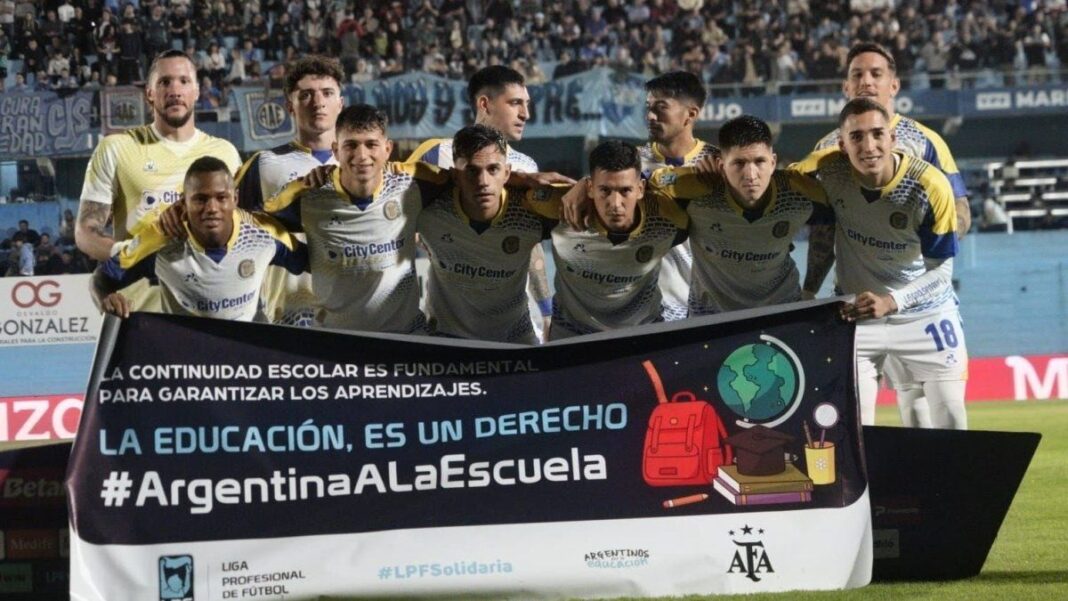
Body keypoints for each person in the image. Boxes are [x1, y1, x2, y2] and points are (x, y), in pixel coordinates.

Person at [809, 41, 973, 427]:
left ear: (894, 86)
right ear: (845, 87)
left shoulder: (926, 144)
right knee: (895, 408)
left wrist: (925, 233)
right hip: (858, 302)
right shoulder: (827, 155)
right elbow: (822, 231)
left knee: (926, 405)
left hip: (918, 298)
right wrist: (809, 289)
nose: (866, 81)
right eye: (856, 74)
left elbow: (957, 215)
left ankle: (936, 485)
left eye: (876, 74)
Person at [76, 49, 241, 311]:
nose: (175, 90)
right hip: (139, 310)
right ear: (150, 94)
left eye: (184, 81)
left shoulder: (225, 153)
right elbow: (86, 234)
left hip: (210, 309)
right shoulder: (116, 148)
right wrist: (135, 252)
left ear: (197, 91)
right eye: (165, 82)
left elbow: (241, 230)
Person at [266, 105, 449, 333]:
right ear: (336, 151)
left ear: (387, 148)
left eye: (371, 144)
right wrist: (299, 259)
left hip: (408, 336)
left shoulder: (413, 183)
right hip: (338, 342)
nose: (362, 156)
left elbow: (469, 184)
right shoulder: (307, 196)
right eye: (351, 145)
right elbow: (259, 226)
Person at [406, 65, 556, 341]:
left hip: (511, 326)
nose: (526, 114)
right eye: (515, 103)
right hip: (448, 326)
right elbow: (401, 216)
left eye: (526, 104)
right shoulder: (437, 153)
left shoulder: (526, 165)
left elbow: (529, 244)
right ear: (484, 104)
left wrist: (546, 310)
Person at [648, 115, 832, 315]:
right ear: (720, 165)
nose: (751, 175)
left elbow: (841, 217)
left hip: (782, 310)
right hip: (710, 315)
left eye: (759, 161)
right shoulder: (694, 188)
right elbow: (649, 181)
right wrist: (688, 172)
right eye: (739, 163)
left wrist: (810, 290)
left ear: (773, 162)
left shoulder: (800, 192)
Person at [92, 157, 306, 321]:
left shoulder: (263, 234)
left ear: (235, 199)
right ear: (183, 203)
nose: (212, 208)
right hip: (188, 361)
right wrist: (106, 298)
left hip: (244, 357)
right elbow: (102, 279)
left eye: (221, 198)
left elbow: (309, 261)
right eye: (200, 199)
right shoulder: (159, 240)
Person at [233, 55, 344, 326]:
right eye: (306, 95)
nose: (318, 103)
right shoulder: (264, 164)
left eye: (327, 93)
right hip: (289, 309)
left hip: (352, 304)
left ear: (340, 103)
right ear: (290, 106)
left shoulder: (362, 163)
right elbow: (235, 233)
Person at [549, 140, 688, 340]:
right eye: (605, 191)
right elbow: (493, 188)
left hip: (643, 335)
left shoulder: (669, 220)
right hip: (572, 336)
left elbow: (721, 180)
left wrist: (655, 177)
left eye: (625, 191)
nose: (615, 204)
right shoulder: (559, 212)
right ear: (589, 187)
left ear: (641, 188)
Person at [639, 71, 718, 321]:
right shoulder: (631, 163)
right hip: (650, 308)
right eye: (649, 107)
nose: (650, 116)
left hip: (709, 304)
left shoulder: (720, 164)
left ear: (691, 114)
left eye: (661, 108)